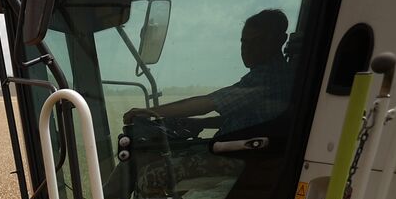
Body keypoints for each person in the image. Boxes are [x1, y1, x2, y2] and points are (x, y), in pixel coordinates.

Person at [123, 8, 292, 136]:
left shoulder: (269, 77)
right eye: (244, 42)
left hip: (241, 158)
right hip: (236, 150)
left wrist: (149, 112)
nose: (247, 50)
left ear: (280, 40)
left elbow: (208, 103)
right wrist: (200, 123)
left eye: (258, 42)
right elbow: (245, 119)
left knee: (150, 173)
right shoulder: (266, 75)